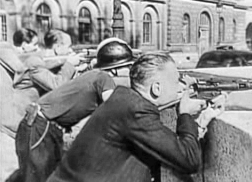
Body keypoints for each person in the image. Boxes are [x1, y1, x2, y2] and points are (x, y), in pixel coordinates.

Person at [47, 52, 227, 182]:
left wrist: (202, 121)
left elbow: (165, 144)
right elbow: (189, 159)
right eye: (177, 80)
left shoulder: (124, 100)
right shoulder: (136, 110)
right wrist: (185, 113)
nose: (181, 87)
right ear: (156, 88)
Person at [12, 38, 136, 182]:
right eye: (127, 66)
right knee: (38, 177)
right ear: (114, 68)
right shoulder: (103, 78)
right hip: (40, 126)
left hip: (41, 125)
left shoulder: (93, 76)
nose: (130, 70)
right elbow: (114, 108)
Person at [0, 29, 81, 182]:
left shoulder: (38, 61)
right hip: (14, 127)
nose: (71, 50)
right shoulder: (33, 62)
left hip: (21, 125)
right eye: (68, 46)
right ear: (57, 47)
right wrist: (69, 64)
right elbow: (57, 85)